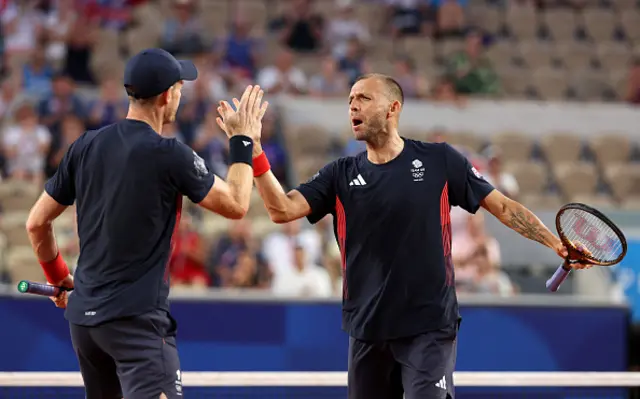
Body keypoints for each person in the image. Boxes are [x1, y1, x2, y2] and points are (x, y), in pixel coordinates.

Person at [216, 73, 590, 399]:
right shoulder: (338, 174)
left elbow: (503, 207)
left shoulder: (439, 160)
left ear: (393, 108)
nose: (352, 106)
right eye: (349, 100)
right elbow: (281, 209)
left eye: (363, 98)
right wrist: (256, 151)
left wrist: (555, 243)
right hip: (368, 329)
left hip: (428, 325)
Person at [25, 48, 268, 399]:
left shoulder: (85, 146)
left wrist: (59, 277)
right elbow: (236, 203)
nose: (180, 97)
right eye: (180, 90)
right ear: (167, 96)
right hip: (134, 324)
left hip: (85, 325)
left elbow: (36, 224)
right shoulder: (170, 153)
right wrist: (243, 140)